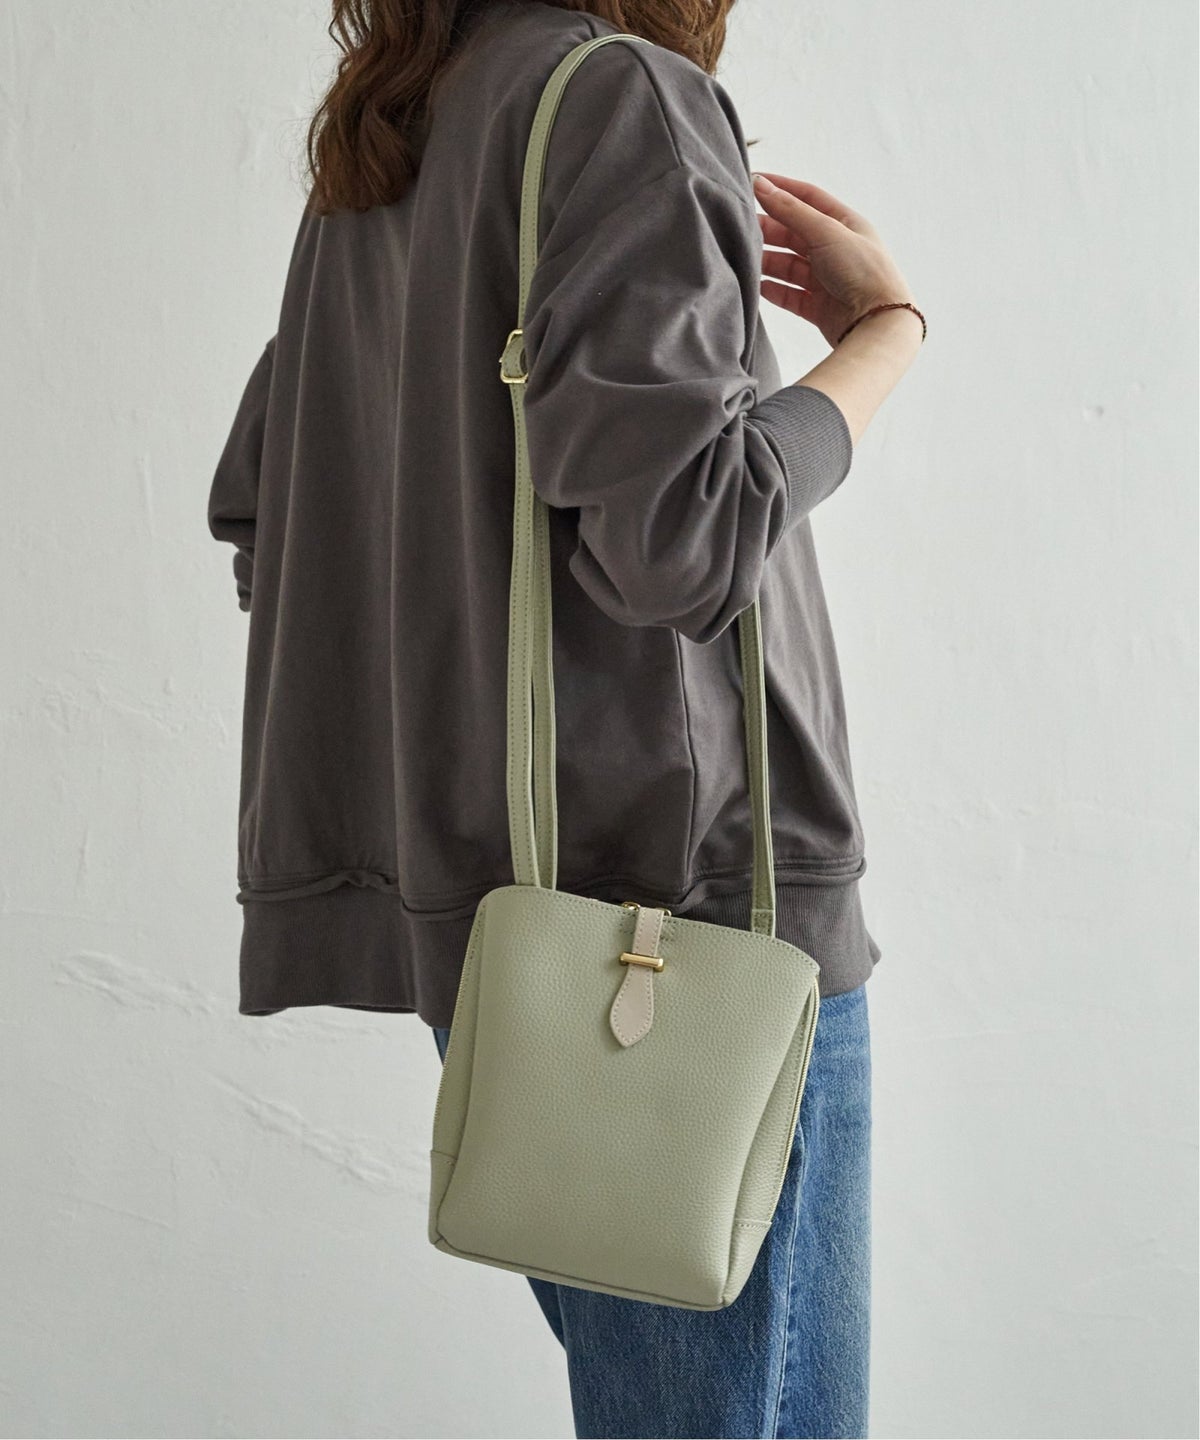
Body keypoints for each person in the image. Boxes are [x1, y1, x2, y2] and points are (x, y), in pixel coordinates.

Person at [207, 1, 923, 1435]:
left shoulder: (393, 134)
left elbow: (267, 518)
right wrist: (881, 337)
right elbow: (683, 540)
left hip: (509, 928)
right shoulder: (622, 101)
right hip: (687, 929)